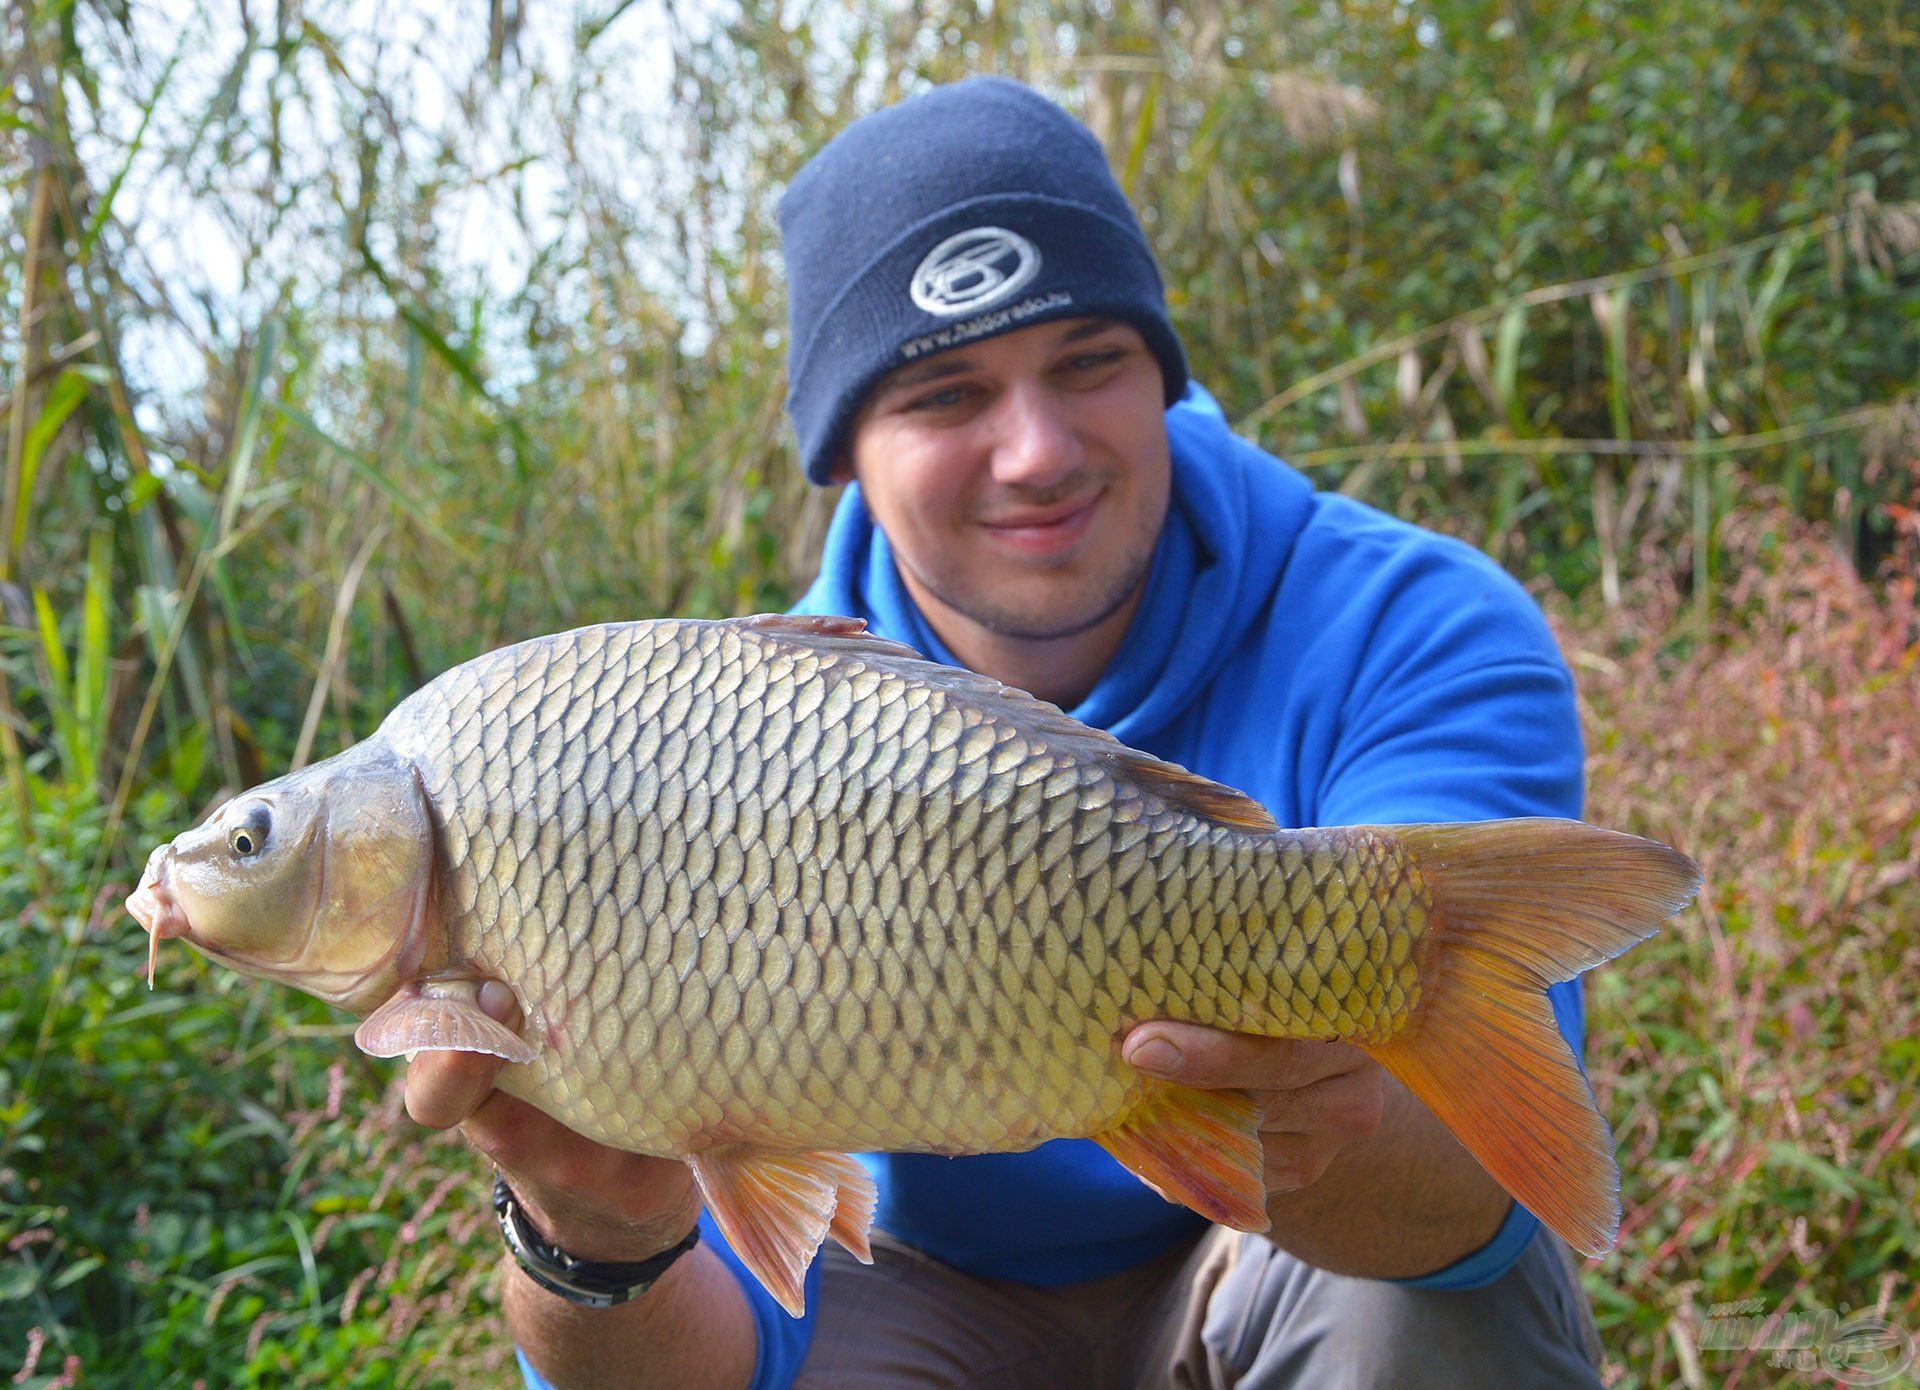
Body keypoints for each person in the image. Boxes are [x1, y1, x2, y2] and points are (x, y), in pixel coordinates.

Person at [406, 76, 1608, 1388]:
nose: (1036, 450)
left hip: (1262, 1246)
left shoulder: (1408, 625)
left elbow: (1467, 1217)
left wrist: (1305, 1098)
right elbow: (704, 1358)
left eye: (1088, 361)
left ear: (1161, 371)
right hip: (908, 1288)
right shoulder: (732, 746)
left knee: (1411, 1311)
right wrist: (599, 1236)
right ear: (847, 453)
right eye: (944, 393)